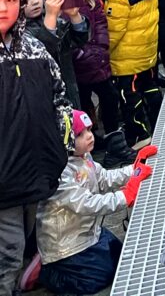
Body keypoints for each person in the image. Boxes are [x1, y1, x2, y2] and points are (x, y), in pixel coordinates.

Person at [25, 112, 156, 295]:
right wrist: (125, 196)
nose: (89, 135)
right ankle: (45, 272)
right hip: (65, 244)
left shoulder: (84, 158)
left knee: (118, 256)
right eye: (79, 134)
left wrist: (134, 168)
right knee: (98, 278)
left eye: (89, 129)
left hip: (86, 231)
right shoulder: (58, 174)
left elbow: (104, 178)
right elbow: (87, 204)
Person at [0, 0, 70, 296]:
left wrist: (62, 139)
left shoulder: (32, 47)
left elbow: (59, 95)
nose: (4, 8)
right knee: (8, 251)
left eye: (12, 0)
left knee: (26, 243)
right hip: (3, 177)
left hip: (36, 166)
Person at [47, 0, 137, 169]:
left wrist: (99, 48)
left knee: (109, 98)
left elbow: (98, 21)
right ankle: (91, 144)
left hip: (97, 58)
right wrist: (81, 54)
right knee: (82, 105)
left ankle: (115, 145)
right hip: (75, 66)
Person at [104, 0, 162, 145]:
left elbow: (114, 31)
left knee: (130, 99)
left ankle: (140, 136)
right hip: (146, 53)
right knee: (150, 88)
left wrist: (104, 54)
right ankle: (160, 123)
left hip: (126, 60)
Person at [20, 0, 88, 106]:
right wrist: (51, 17)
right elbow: (43, 54)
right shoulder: (19, 31)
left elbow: (80, 40)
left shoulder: (54, 20)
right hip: (45, 100)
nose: (35, 2)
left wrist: (74, 15)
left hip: (69, 92)